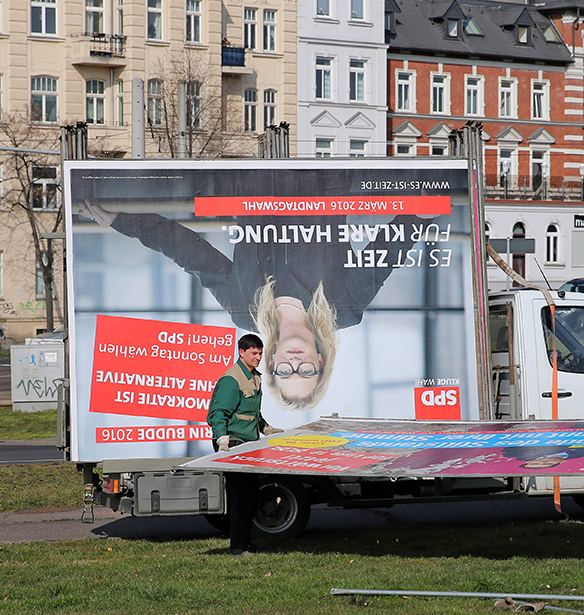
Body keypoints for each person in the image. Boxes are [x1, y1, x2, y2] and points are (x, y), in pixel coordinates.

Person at [79, 201, 426, 410]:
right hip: (319, 177)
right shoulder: (345, 309)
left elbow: (189, 252)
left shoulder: (242, 309)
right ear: (320, 361)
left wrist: (121, 222)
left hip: (257, 179)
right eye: (306, 372)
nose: (294, 365)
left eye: (284, 373)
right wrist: (432, 201)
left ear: (270, 362)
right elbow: (389, 248)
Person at [207, 333, 282, 555]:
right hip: (233, 444)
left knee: (250, 496)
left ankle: (246, 543)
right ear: (242, 352)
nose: (258, 357)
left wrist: (266, 428)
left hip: (249, 444)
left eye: (260, 353)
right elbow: (218, 412)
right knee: (239, 498)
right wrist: (221, 438)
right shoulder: (232, 379)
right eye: (254, 353)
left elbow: (250, 412)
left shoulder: (253, 377)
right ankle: (238, 547)